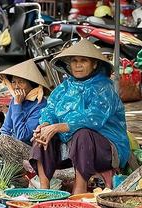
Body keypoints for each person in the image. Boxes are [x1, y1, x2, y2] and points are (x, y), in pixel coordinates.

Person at [27, 39, 130, 194]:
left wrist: (58, 127)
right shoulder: (65, 87)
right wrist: (45, 124)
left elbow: (93, 118)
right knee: (43, 133)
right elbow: (50, 110)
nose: (78, 65)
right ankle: (44, 189)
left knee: (82, 133)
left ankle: (79, 188)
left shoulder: (104, 87)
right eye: (74, 61)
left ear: (94, 64)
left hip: (107, 150)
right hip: (69, 148)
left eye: (83, 61)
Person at [0, 59, 50, 164]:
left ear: (32, 84)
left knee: (5, 141)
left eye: (21, 82)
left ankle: (4, 163)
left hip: (29, 152)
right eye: (13, 82)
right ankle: (0, 162)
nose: (16, 86)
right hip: (8, 145)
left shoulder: (40, 105)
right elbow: (6, 130)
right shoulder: (14, 101)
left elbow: (22, 136)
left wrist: (18, 105)